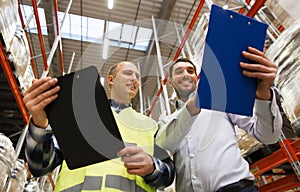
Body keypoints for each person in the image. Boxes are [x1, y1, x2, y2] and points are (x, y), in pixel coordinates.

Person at [23, 61, 175, 191]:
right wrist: (39, 123)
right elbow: (40, 166)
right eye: (128, 73)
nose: (134, 79)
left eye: (137, 76)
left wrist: (152, 167)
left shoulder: (150, 126)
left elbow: (168, 175)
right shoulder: (80, 117)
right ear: (111, 79)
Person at [156, 47, 283, 192]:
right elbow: (164, 144)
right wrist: (193, 106)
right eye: (179, 72)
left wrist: (263, 94)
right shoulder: (167, 121)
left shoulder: (221, 103)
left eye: (190, 71)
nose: (186, 74)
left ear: (196, 79)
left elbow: (268, 136)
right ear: (170, 82)